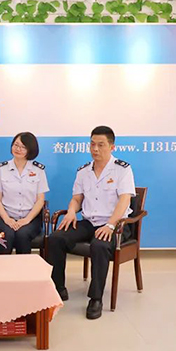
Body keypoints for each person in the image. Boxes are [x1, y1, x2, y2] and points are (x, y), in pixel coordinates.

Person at [45, 126, 136, 320]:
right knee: (55, 238)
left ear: (112, 147)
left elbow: (124, 200)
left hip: (115, 226)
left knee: (99, 245)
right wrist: (71, 211)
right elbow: (77, 198)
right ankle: (58, 288)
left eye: (101, 145)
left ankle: (96, 299)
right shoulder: (84, 171)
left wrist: (110, 225)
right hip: (89, 222)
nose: (95, 149)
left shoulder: (122, 170)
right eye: (92, 144)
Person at [0, 132, 49, 254]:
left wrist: (26, 220)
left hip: (30, 218)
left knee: (22, 234)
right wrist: (7, 219)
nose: (18, 149)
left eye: (23, 147)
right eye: (16, 145)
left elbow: (40, 200)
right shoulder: (1, 169)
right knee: (7, 234)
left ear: (30, 150)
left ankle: (23, 267)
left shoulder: (38, 170)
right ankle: (3, 266)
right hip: (5, 216)